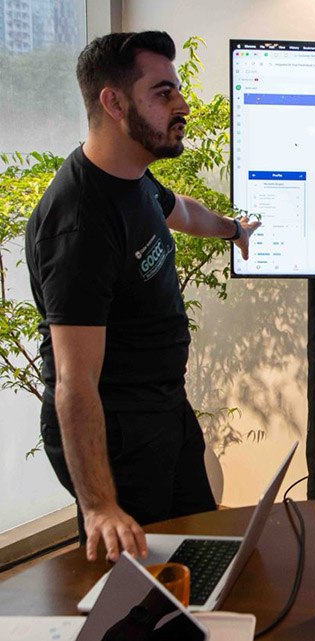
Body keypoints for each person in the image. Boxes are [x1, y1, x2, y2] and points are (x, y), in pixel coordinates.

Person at [25, 31, 260, 564]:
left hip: (163, 409)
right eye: (163, 93)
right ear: (114, 103)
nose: (183, 105)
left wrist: (232, 230)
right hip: (117, 434)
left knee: (199, 551)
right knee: (138, 583)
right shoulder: (79, 225)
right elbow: (74, 382)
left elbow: (181, 210)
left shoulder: (132, 178)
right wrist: (100, 506)